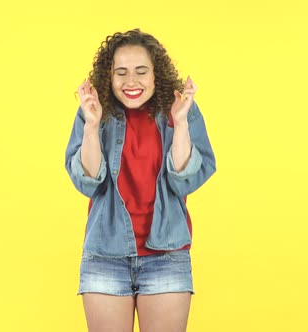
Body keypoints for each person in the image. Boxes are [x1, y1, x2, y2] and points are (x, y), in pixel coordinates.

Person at [64, 28, 216, 332]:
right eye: (120, 73)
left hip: (167, 256)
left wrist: (181, 121)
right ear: (108, 77)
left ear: (156, 74)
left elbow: (186, 180)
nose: (130, 82)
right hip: (104, 255)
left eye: (140, 71)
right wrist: (92, 126)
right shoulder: (94, 113)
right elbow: (88, 183)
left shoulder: (179, 110)